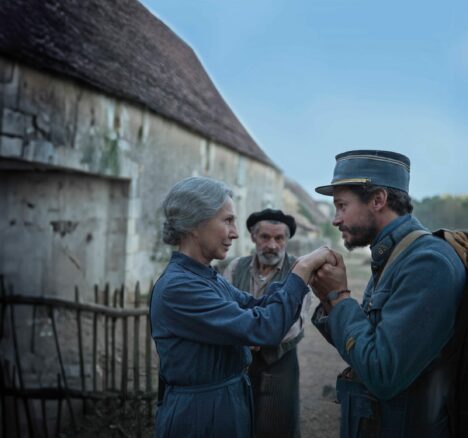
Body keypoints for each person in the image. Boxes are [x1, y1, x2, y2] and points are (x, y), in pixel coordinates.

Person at [149, 176, 335, 438]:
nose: (235, 233)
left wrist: (292, 276)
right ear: (194, 224)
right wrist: (301, 272)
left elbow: (256, 307)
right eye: (227, 221)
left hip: (225, 403)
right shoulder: (180, 288)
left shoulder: (208, 277)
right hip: (200, 415)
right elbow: (263, 327)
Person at [310, 150, 466, 437]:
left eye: (342, 206)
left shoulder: (427, 262)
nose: (335, 219)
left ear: (378, 200)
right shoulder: (395, 254)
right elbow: (366, 344)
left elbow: (383, 373)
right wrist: (328, 301)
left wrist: (339, 298)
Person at [223, 208, 310, 438]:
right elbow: (225, 308)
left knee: (278, 424)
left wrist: (259, 335)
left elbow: (297, 322)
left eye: (279, 238)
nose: (272, 245)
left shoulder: (299, 272)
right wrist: (245, 336)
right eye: (265, 237)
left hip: (280, 361)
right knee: (241, 419)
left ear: (286, 240)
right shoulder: (234, 267)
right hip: (240, 359)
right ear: (253, 237)